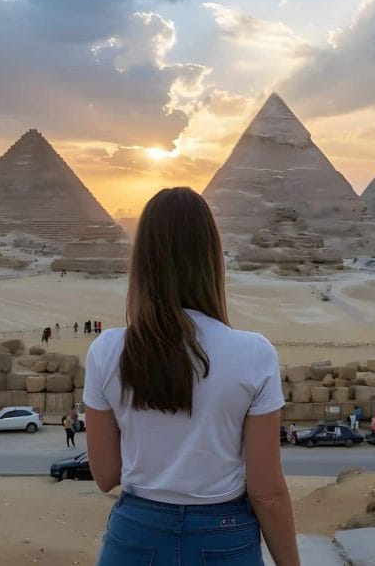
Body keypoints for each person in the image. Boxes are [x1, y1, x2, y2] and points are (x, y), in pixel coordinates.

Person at [83, 188, 298, 566]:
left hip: (135, 535)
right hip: (224, 535)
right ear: (211, 259)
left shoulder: (106, 350)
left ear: (143, 262)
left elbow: (105, 475)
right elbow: (266, 492)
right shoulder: (253, 353)